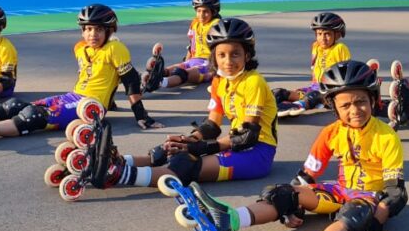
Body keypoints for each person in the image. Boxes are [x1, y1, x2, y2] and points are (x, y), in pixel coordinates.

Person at [185, 60, 407, 231]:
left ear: (372, 100)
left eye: (361, 102)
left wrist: (376, 221)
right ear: (334, 107)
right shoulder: (330, 133)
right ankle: (230, 219)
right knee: (283, 193)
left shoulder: (386, 136)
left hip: (369, 197)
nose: (354, 110)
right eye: (346, 105)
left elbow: (395, 192)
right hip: (339, 191)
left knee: (356, 211)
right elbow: (307, 175)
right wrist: (293, 207)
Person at [76, 17, 279, 193]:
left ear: (248, 55)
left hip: (257, 154)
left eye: (235, 54)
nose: (228, 61)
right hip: (236, 146)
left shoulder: (254, 82)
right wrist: (188, 140)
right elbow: (212, 125)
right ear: (214, 57)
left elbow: (247, 136)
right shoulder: (220, 81)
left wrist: (202, 147)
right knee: (170, 150)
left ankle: (119, 175)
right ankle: (120, 161)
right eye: (222, 55)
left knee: (186, 165)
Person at [0, 3, 163, 142]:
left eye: (99, 30)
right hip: (74, 96)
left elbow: (129, 81)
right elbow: (96, 77)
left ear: (110, 31)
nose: (92, 34)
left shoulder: (115, 48)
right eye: (88, 29)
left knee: (33, 116)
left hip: (89, 105)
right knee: (15, 105)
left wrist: (141, 115)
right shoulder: (80, 48)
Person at [272, 12, 351, 117]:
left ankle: (296, 106)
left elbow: (347, 72)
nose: (322, 38)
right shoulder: (316, 47)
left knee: (313, 96)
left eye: (327, 34)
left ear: (337, 35)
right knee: (280, 92)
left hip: (331, 93)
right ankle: (265, 104)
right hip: (314, 88)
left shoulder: (340, 48)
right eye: (319, 34)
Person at [142, 0, 222, 93]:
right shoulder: (195, 23)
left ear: (214, 12)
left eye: (205, 11)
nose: (201, 15)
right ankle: (153, 75)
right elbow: (191, 45)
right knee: (174, 68)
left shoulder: (217, 26)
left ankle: (159, 83)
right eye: (198, 11)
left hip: (209, 64)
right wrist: (186, 62)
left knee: (182, 73)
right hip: (194, 60)